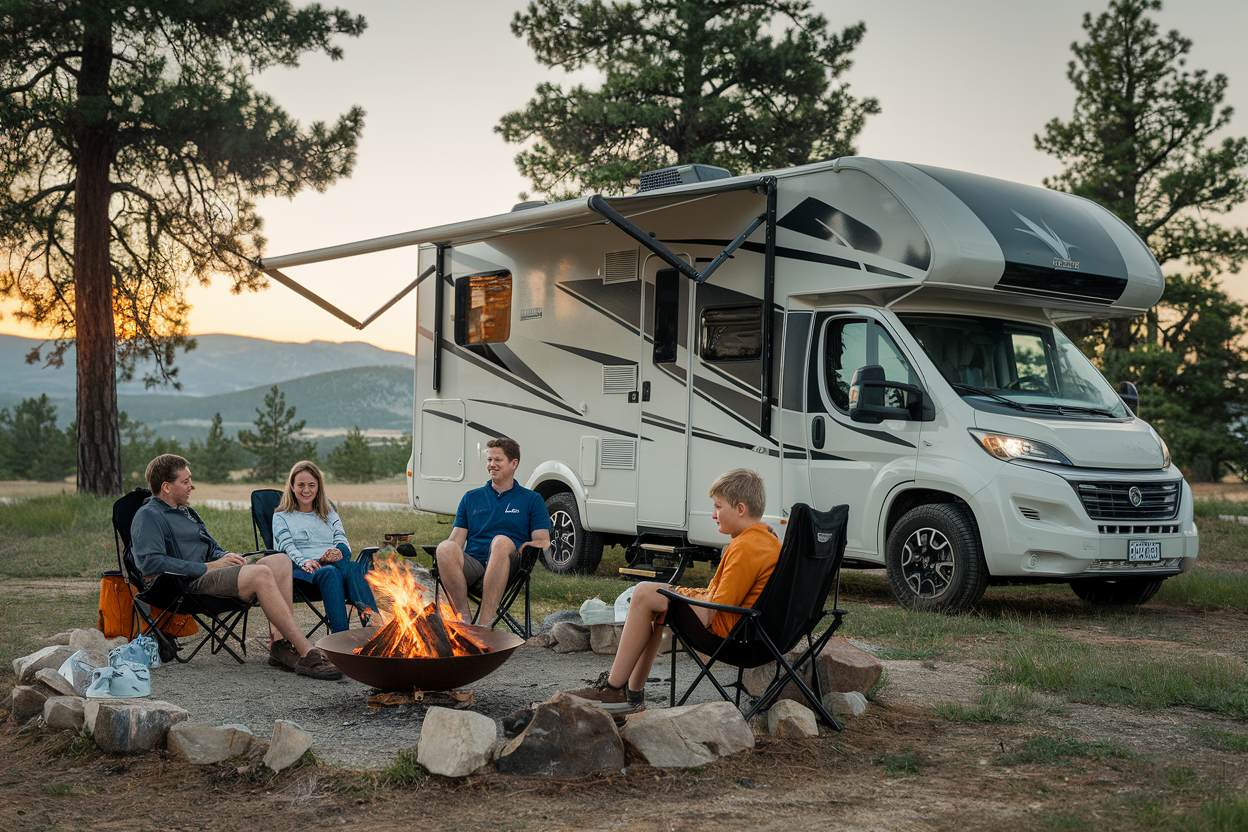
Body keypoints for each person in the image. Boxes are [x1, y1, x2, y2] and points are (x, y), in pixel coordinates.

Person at [568, 468, 779, 714]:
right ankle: (631, 695)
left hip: (728, 634)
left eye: (718, 507)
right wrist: (680, 593)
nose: (713, 515)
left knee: (644, 593)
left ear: (740, 509)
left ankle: (614, 690)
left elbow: (716, 609)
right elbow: (723, 596)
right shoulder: (766, 538)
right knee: (656, 603)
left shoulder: (746, 547)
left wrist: (679, 595)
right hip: (749, 632)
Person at [130, 454, 342, 680]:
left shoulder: (188, 513)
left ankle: (280, 648)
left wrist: (227, 557)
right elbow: (150, 563)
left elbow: (212, 547)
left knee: (280, 560)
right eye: (185, 482)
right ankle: (306, 652)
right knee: (260, 574)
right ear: (166, 487)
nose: (191, 486)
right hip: (184, 583)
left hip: (210, 572)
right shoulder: (149, 516)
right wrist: (208, 566)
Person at [436, 437, 551, 626]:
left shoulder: (531, 499)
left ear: (514, 463)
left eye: (498, 460)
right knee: (445, 547)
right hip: (475, 567)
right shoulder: (471, 498)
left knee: (501, 541)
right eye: (489, 460)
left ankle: (484, 624)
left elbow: (542, 540)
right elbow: (456, 540)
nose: (491, 465)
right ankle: (464, 620)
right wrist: (444, 554)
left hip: (508, 566)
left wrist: (524, 548)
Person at [272, 460, 379, 633]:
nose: (306, 490)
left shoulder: (328, 513)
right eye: (300, 485)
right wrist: (304, 561)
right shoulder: (281, 517)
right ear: (292, 487)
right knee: (331, 573)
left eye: (311, 485)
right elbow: (286, 546)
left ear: (318, 487)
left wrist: (339, 551)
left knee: (354, 568)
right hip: (300, 567)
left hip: (330, 561)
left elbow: (341, 539)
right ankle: (341, 638)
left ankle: (374, 628)